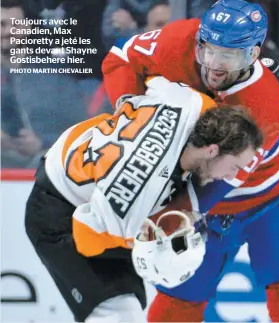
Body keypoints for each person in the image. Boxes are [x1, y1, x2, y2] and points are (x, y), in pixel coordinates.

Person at [101, 0, 279, 321]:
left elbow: (221, 179)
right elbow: (122, 57)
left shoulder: (265, 107)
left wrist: (163, 218)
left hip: (278, 197)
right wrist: (127, 109)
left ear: (253, 54)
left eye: (229, 54)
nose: (213, 64)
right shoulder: (178, 39)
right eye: (207, 49)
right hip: (207, 195)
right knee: (174, 308)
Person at [24, 76, 263, 322]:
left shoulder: (196, 104)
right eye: (234, 166)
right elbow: (86, 236)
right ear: (212, 150)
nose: (233, 176)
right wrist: (144, 243)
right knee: (118, 312)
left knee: (130, 302)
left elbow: (155, 80)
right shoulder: (138, 192)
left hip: (80, 167)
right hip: (58, 214)